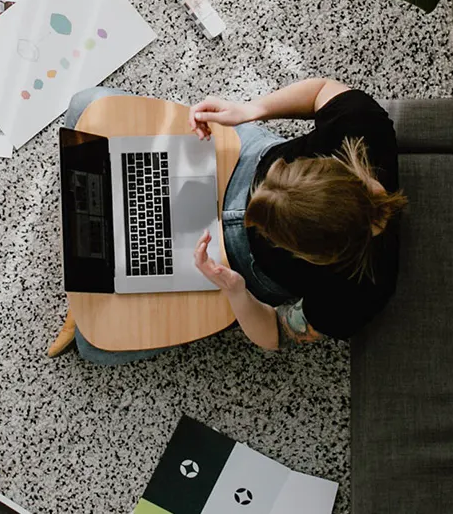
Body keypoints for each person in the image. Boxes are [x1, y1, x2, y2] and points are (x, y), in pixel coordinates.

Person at [64, 79, 406, 364]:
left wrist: (234, 290)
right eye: (281, 171)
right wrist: (251, 109)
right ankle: (97, 268)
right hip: (240, 160)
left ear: (312, 257)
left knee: (92, 346)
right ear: (329, 165)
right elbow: (320, 91)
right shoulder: (362, 127)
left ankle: (99, 269)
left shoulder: (359, 294)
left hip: (237, 261)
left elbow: (275, 333)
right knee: (85, 105)